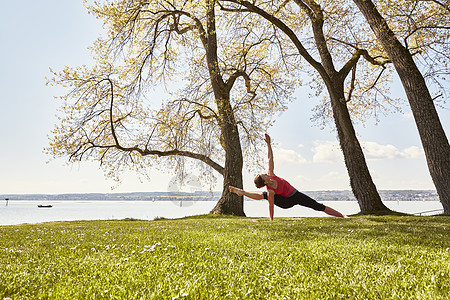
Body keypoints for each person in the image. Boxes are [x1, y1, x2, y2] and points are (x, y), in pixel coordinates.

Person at [229, 134, 347, 220]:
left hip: (295, 194)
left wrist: (269, 144)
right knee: (265, 196)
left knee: (317, 206)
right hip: (285, 203)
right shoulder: (270, 190)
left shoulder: (272, 174)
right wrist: (271, 219)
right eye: (262, 175)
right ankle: (242, 192)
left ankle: (343, 216)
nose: (264, 173)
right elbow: (271, 206)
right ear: (264, 181)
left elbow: (270, 158)